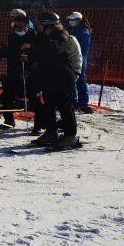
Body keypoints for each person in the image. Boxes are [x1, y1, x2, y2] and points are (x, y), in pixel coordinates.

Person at [28, 12, 78, 149]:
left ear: (47, 25)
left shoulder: (62, 37)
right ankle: (51, 132)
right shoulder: (47, 38)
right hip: (50, 77)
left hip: (62, 77)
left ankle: (70, 136)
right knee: (48, 105)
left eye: (41, 24)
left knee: (65, 107)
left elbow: (55, 54)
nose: (39, 27)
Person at [0, 9, 36, 130]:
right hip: (13, 71)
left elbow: (39, 54)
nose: (17, 27)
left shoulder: (33, 36)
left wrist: (29, 58)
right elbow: (11, 53)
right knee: (6, 96)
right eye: (15, 25)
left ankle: (39, 124)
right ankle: (9, 121)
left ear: (26, 24)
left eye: (20, 25)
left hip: (29, 73)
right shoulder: (12, 36)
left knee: (34, 98)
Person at [66, 12, 93, 112]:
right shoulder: (75, 30)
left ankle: (83, 102)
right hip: (74, 57)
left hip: (80, 58)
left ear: (78, 20)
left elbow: (82, 48)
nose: (70, 22)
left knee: (80, 79)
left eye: (72, 20)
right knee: (74, 80)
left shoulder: (83, 32)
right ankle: (75, 101)